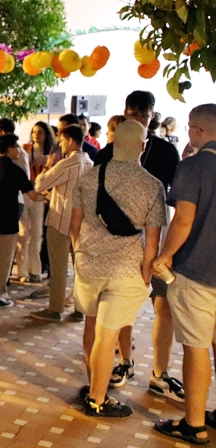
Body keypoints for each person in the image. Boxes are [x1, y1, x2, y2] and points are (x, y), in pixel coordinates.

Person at [71, 120, 167, 418]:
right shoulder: (152, 185)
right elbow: (152, 240)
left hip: (90, 265)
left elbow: (74, 225)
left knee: (92, 326)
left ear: (113, 143)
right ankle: (97, 399)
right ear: (142, 146)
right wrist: (147, 275)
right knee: (107, 334)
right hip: (126, 271)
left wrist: (80, 254)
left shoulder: (89, 177)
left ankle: (92, 385)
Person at [94, 91, 183, 401]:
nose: (140, 121)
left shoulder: (165, 153)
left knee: (163, 304)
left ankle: (160, 373)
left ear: (153, 115)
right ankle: (124, 361)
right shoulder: (105, 154)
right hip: (119, 245)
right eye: (134, 116)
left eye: (144, 116)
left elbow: (172, 202)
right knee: (118, 304)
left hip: (157, 240)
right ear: (126, 113)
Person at [152, 103, 216, 445]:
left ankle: (194, 423)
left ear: (201, 131)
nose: (189, 133)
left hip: (197, 271)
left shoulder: (193, 167)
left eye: (192, 127)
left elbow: (184, 220)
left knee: (196, 347)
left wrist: (164, 256)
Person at [31, 124, 93, 322]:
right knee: (81, 268)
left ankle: (55, 308)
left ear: (70, 141)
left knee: (58, 268)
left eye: (62, 140)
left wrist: (48, 166)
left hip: (61, 220)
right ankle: (80, 309)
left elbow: (40, 184)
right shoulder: (89, 163)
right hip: (82, 223)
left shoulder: (67, 163)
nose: (60, 144)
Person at [0, 134, 44, 308]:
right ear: (9, 149)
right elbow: (32, 195)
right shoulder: (16, 171)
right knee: (4, 260)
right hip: (7, 221)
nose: (19, 150)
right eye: (16, 146)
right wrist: (47, 197)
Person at [20, 122, 54, 283]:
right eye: (34, 132)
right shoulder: (25, 148)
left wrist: (46, 164)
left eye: (40, 132)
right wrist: (31, 163)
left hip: (41, 192)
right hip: (26, 190)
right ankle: (22, 270)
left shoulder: (52, 151)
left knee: (37, 233)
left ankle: (36, 270)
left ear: (46, 134)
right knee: (23, 232)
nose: (36, 135)